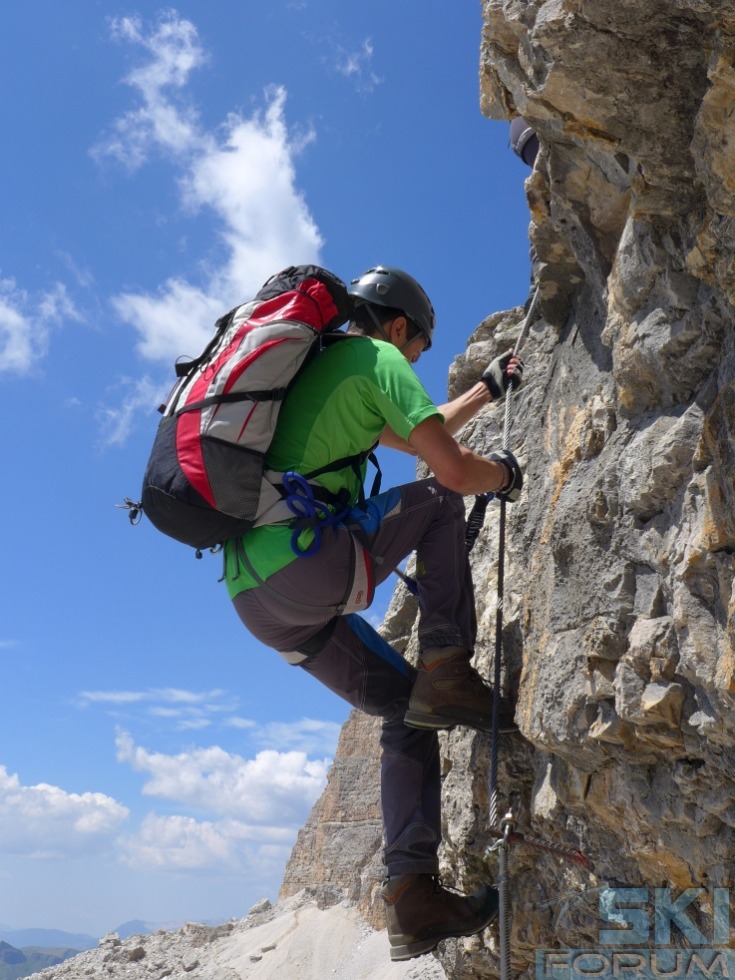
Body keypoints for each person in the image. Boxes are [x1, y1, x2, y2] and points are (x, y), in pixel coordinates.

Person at [223, 265, 525, 962]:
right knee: (439, 502)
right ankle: (449, 666)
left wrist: (484, 390)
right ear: (397, 327)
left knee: (407, 712)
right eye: (416, 349)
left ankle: (411, 898)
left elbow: (417, 434)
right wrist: (503, 476)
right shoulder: (377, 356)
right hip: (306, 559)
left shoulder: (319, 371)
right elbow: (448, 471)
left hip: (259, 600)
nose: (412, 361)